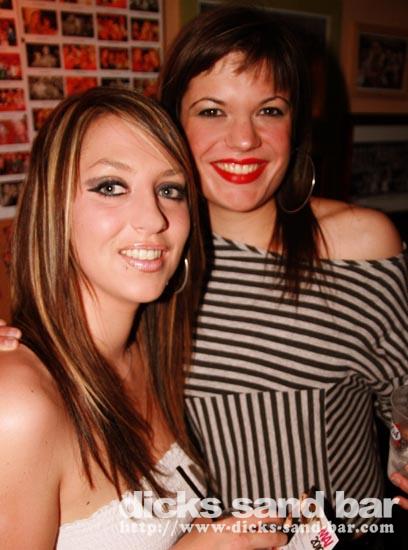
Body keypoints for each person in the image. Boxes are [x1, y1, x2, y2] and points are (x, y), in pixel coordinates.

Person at [158, 4, 408, 547]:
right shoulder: (145, 260)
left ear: (295, 127)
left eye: (269, 110)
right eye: (212, 111)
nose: (244, 139)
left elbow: (403, 395)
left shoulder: (358, 246)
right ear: (172, 123)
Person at [0, 87, 287, 549]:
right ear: (53, 210)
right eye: (111, 187)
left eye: (169, 190)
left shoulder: (144, 355)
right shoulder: (17, 404)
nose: (153, 218)